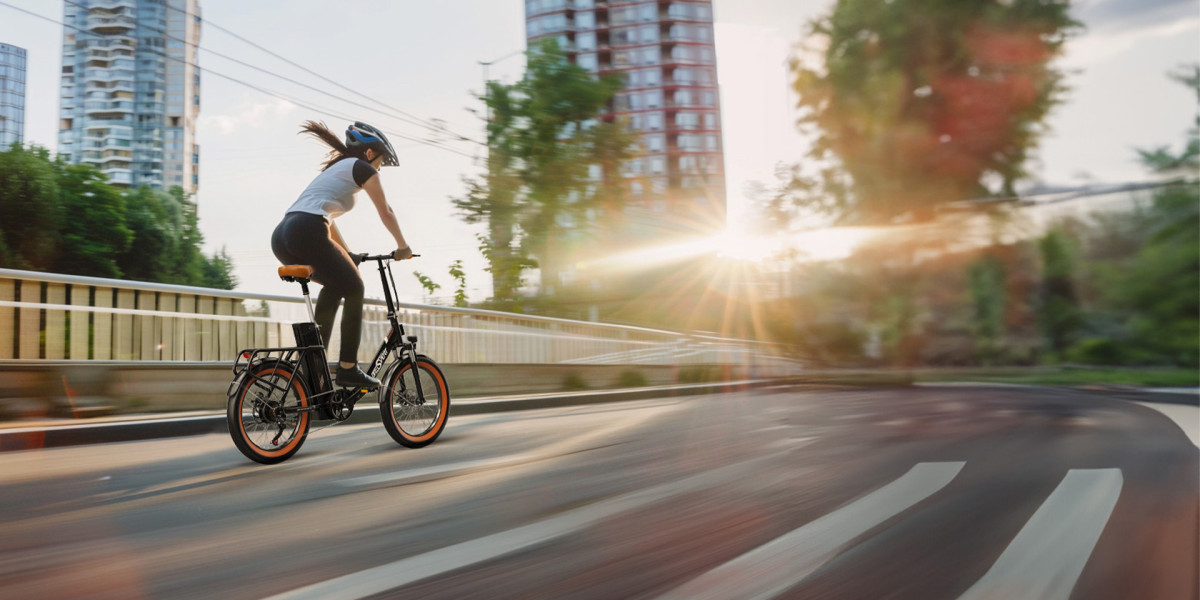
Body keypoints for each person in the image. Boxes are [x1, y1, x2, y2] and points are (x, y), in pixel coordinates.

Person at [271, 120, 413, 389]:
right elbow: (386, 211)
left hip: (283, 235)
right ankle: (348, 369)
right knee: (356, 286)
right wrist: (403, 247)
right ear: (370, 154)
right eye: (380, 163)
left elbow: (329, 220)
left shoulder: (337, 170)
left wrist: (347, 253)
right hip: (307, 230)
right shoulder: (361, 168)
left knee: (336, 286)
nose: (379, 169)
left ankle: (315, 367)